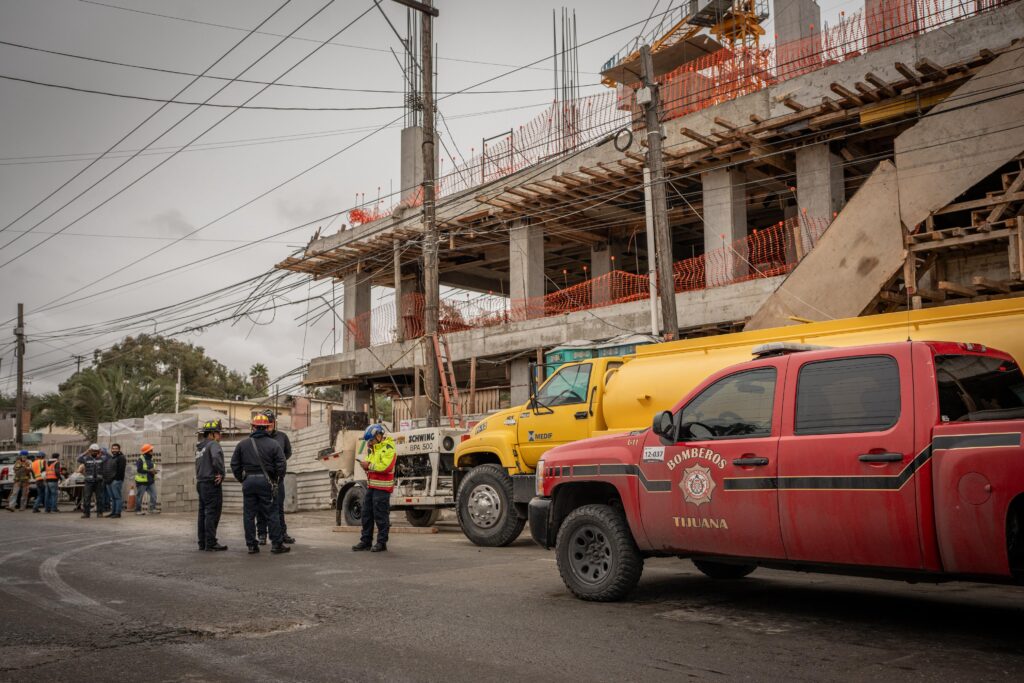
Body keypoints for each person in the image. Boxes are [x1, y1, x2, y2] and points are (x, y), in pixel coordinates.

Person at [230, 413, 289, 555]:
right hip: (266, 481)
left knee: (249, 514)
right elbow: (282, 464)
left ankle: (251, 545)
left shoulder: (242, 444)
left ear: (253, 427)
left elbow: (234, 464)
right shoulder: (273, 444)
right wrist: (277, 479)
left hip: (249, 482)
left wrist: (242, 479)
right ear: (266, 427)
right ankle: (276, 544)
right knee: (272, 513)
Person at [352, 424, 396, 553]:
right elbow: (371, 463)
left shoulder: (388, 448)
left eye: (371, 440)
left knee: (381, 516)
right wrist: (365, 465)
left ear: (378, 436)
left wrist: (369, 465)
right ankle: (366, 541)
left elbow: (385, 467)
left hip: (382, 489)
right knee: (366, 514)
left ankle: (381, 543)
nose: (369, 443)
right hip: (372, 486)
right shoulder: (373, 449)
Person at [256, 410, 295, 546]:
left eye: (272, 422)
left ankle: (281, 533)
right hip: (262, 477)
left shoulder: (282, 437)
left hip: (278, 479)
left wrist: (279, 463)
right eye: (268, 422)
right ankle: (261, 534)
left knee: (278, 507)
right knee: (261, 507)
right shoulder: (257, 439)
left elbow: (288, 453)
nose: (270, 424)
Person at [195, 419, 227, 552]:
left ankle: (202, 542)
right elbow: (216, 458)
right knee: (212, 513)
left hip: (201, 483)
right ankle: (211, 542)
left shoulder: (200, 447)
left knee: (203, 513)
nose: (220, 436)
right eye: (219, 433)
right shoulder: (214, 445)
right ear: (212, 434)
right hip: (211, 483)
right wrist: (221, 473)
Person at [77, 445, 108, 518]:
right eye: (93, 451)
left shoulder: (101, 458)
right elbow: (78, 459)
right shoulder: (86, 458)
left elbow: (108, 456)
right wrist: (86, 452)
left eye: (96, 451)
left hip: (98, 481)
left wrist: (101, 451)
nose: (94, 452)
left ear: (98, 451)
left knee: (99, 498)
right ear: (90, 451)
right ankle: (86, 513)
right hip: (88, 481)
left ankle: (100, 513)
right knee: (87, 497)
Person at [134, 444, 158, 515]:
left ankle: (152, 509)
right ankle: (138, 510)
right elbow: (139, 470)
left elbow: (152, 469)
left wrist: (154, 471)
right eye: (151, 450)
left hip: (150, 481)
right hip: (142, 482)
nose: (152, 451)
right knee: (139, 497)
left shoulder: (151, 459)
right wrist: (149, 471)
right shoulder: (140, 459)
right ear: (147, 451)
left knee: (154, 495)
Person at [104, 444, 126, 518]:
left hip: (116, 481)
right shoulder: (112, 458)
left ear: (119, 449)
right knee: (112, 498)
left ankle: (117, 513)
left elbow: (120, 470)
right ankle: (113, 512)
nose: (114, 450)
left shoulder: (121, 457)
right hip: (109, 481)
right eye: (113, 448)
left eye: (116, 448)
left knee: (117, 497)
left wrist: (115, 479)